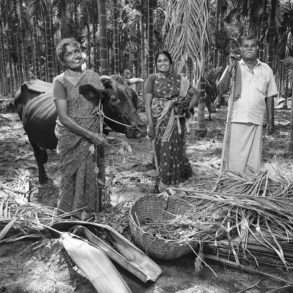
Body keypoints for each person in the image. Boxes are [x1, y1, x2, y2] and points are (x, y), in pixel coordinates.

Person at [53, 38, 107, 219]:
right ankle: (70, 216)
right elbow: (63, 117)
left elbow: (102, 106)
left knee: (92, 173)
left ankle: (90, 214)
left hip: (94, 133)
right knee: (71, 176)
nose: (75, 56)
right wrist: (91, 135)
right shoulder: (59, 82)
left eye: (77, 51)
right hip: (72, 136)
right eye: (69, 54)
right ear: (63, 60)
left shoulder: (93, 77)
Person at [218, 34, 278, 177]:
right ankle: (233, 184)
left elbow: (269, 97)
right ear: (241, 48)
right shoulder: (234, 66)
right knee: (234, 158)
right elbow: (221, 89)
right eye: (246, 46)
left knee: (253, 161)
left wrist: (270, 121)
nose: (249, 49)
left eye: (253, 46)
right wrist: (230, 67)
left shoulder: (266, 69)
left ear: (258, 48)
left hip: (257, 120)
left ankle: (249, 187)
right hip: (236, 118)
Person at [144, 50, 198, 188]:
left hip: (175, 121)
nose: (162, 63)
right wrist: (150, 124)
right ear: (156, 64)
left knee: (174, 149)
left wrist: (186, 108)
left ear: (171, 63)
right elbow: (147, 104)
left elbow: (195, 94)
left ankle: (171, 181)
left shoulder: (179, 79)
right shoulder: (152, 79)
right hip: (158, 122)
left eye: (165, 60)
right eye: (159, 61)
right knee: (160, 149)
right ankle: (162, 180)